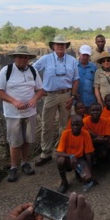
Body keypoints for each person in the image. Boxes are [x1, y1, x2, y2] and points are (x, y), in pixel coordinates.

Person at [0, 45, 44, 182]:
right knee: (15, 142)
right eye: (20, 56)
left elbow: (40, 89)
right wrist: (14, 101)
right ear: (15, 57)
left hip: (30, 112)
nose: (23, 59)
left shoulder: (33, 70)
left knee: (28, 139)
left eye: (26, 57)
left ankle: (25, 163)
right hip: (13, 114)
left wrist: (34, 99)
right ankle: (13, 167)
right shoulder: (7, 71)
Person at [33, 35, 80, 167]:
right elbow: (32, 71)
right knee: (47, 124)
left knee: (65, 125)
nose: (60, 46)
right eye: (57, 44)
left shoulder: (72, 60)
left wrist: (73, 96)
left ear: (66, 47)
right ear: (53, 46)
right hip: (50, 95)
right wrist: (39, 88)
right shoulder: (46, 59)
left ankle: (62, 151)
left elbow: (76, 79)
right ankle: (46, 153)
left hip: (66, 95)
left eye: (63, 44)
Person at [56, 115, 96, 193]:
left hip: (79, 159)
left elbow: (88, 154)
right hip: (68, 159)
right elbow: (58, 152)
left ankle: (78, 173)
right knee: (60, 160)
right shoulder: (65, 133)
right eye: (73, 125)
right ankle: (64, 182)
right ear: (70, 125)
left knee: (87, 178)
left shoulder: (86, 134)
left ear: (82, 125)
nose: (75, 127)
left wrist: (91, 172)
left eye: (77, 125)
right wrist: (71, 156)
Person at [77, 45, 97, 112]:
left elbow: (96, 84)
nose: (85, 57)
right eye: (83, 55)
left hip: (90, 101)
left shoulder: (93, 67)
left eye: (87, 55)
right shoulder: (73, 66)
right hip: (76, 101)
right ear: (79, 54)